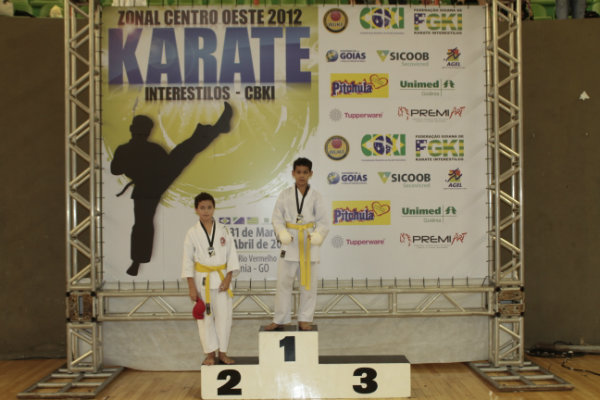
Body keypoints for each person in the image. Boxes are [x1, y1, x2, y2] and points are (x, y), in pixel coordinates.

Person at [111, 102, 232, 276]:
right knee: (185, 151)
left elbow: (117, 169)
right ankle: (218, 128)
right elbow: (116, 169)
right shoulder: (139, 149)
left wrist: (134, 162)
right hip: (148, 187)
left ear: (132, 129)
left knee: (185, 151)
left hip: (152, 184)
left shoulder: (130, 149)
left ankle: (218, 128)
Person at [265, 158, 329, 331]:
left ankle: (305, 319)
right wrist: (282, 233)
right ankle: (280, 319)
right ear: (293, 173)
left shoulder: (316, 196)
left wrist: (318, 235)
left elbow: (323, 221)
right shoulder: (285, 195)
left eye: (305, 172)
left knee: (308, 284)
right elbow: (277, 218)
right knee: (283, 284)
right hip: (290, 243)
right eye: (299, 172)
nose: (302, 176)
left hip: (309, 243)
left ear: (310, 174)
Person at [182, 192, 240, 365]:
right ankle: (209, 354)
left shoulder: (224, 230)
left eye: (209, 207)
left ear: (214, 209)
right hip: (202, 281)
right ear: (196, 210)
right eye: (202, 208)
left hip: (222, 279)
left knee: (224, 318)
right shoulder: (192, 233)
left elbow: (232, 255)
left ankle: (222, 352)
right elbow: (187, 260)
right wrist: (191, 287)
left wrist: (228, 278)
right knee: (205, 320)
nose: (206, 211)